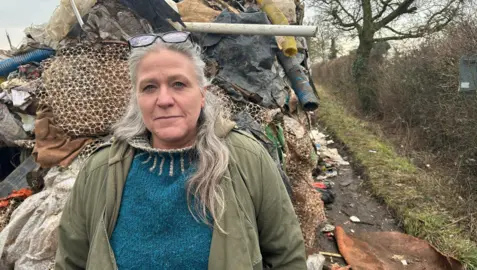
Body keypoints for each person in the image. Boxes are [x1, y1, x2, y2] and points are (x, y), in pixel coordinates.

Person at [55, 31, 306, 270]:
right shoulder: (100, 170)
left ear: (202, 94)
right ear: (137, 98)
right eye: (149, 87)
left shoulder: (247, 158)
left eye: (178, 84)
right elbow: (71, 261)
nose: (164, 100)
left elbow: (286, 256)